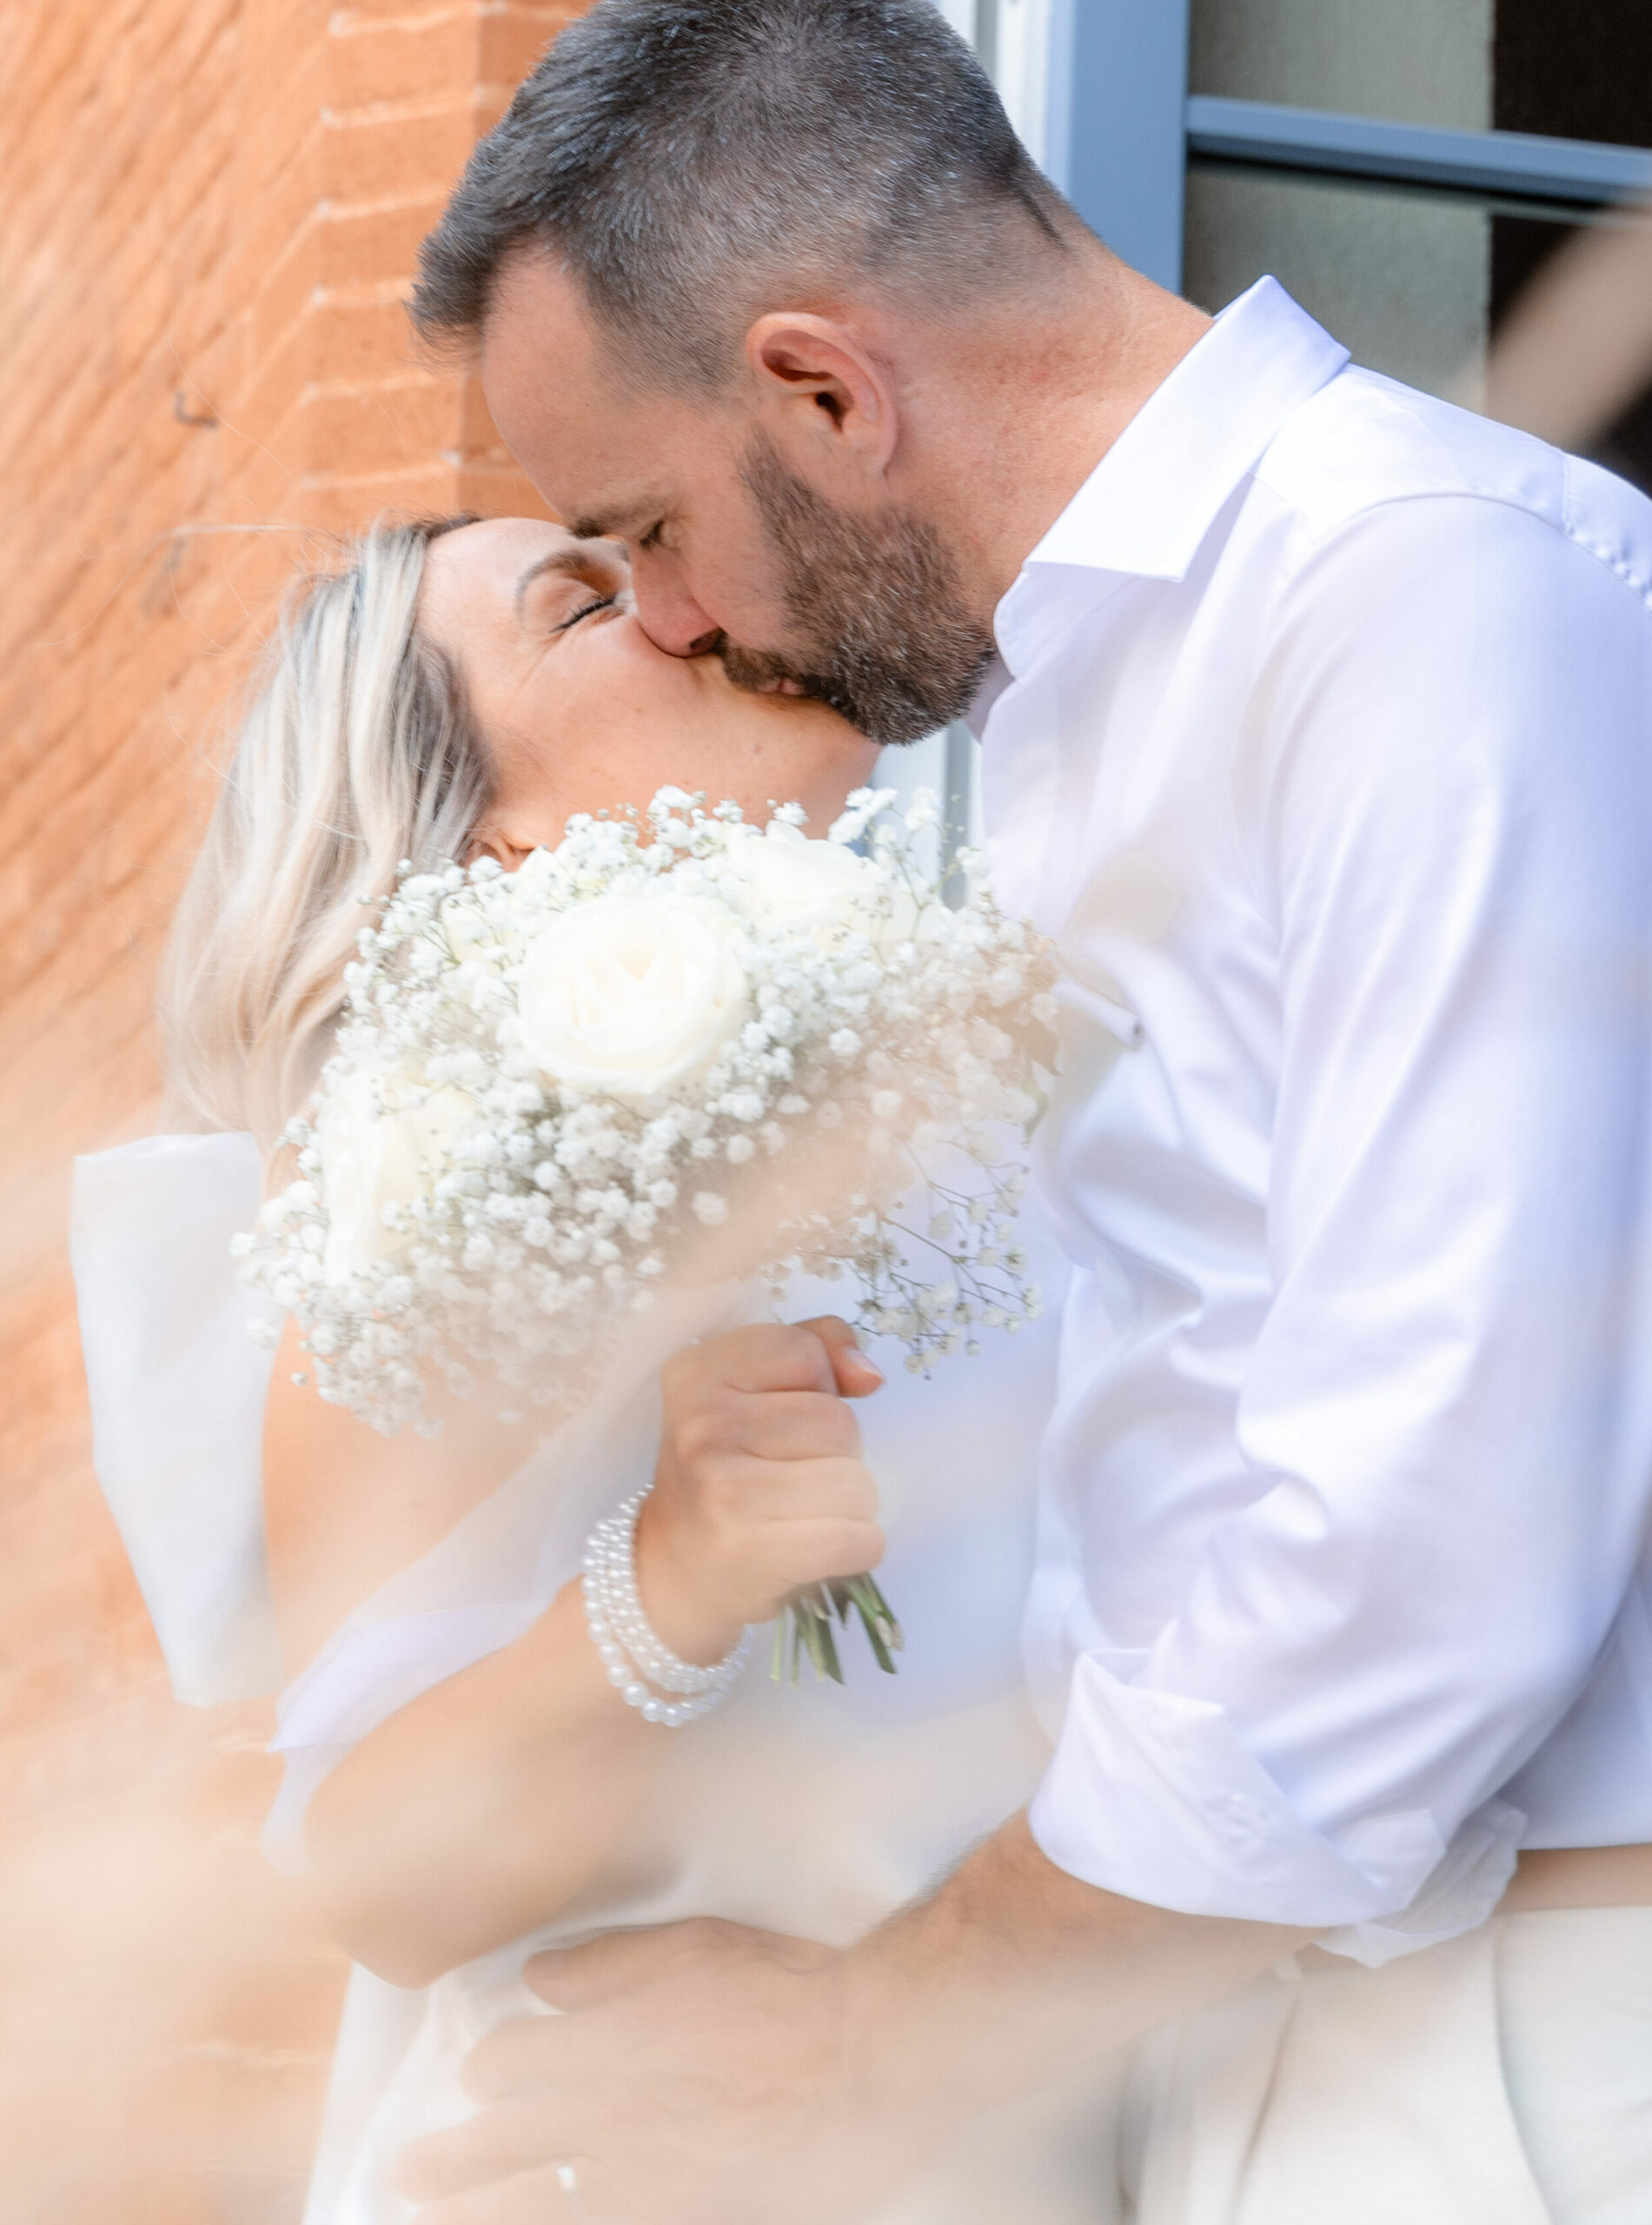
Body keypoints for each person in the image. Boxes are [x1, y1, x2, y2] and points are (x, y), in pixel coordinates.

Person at [389, 3, 1652, 2221]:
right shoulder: (1091, 690)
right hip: (1236, 2006)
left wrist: (876, 2028)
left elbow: (1422, 1555)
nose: (680, 617)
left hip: (1512, 2042)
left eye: (650, 527)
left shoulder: (1419, 599)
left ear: (821, 385)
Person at [72, 513, 1128, 2223]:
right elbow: (382, 1869)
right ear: (486, 830)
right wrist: (679, 1568)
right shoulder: (440, 1157)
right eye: (581, 603)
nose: (686, 599)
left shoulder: (993, 1071)